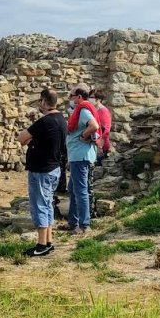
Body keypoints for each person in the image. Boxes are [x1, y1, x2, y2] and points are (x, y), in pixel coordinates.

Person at [18, 89, 66, 257]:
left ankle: (41, 244)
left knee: (39, 205)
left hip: (41, 170)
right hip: (53, 167)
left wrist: (30, 140)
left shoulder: (45, 121)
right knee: (47, 204)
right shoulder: (61, 120)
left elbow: (21, 137)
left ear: (44, 102)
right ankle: (48, 240)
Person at [65, 83, 99, 235]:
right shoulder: (81, 109)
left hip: (81, 155)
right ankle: (73, 222)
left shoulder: (83, 109)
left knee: (80, 190)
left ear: (78, 97)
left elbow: (94, 126)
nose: (70, 99)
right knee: (73, 189)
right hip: (77, 155)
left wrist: (82, 136)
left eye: (71, 96)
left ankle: (84, 225)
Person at [90, 89, 113, 164]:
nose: (90, 99)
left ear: (99, 99)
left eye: (92, 97)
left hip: (101, 146)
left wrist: (100, 146)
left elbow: (106, 130)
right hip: (93, 144)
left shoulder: (103, 111)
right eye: (90, 97)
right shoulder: (93, 110)